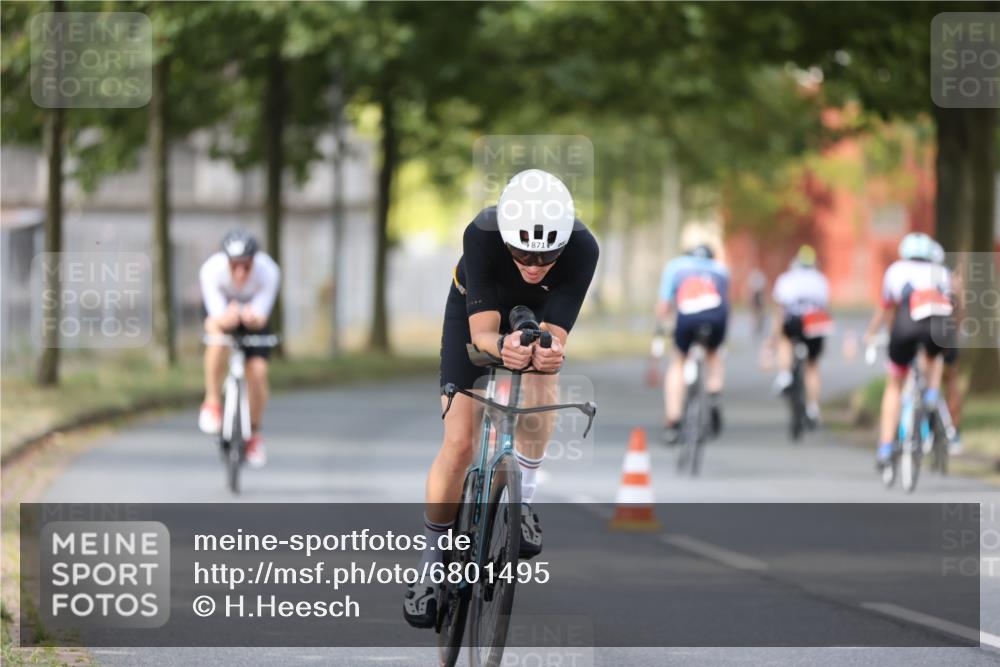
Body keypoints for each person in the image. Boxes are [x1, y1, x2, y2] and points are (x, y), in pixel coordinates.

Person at [403, 169, 599, 628]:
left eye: (547, 256)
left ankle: (522, 499)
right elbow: (482, 335)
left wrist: (547, 352)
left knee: (544, 367)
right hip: (475, 315)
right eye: (523, 253)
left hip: (536, 316)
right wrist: (502, 347)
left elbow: (555, 332)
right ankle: (430, 563)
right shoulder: (482, 234)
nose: (533, 265)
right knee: (459, 445)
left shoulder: (583, 248)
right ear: (507, 237)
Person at [863, 232, 954, 468]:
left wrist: (871, 333)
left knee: (894, 384)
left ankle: (885, 447)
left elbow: (886, 308)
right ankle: (932, 394)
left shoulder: (895, 270)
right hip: (939, 324)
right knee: (934, 357)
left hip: (906, 324)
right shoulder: (942, 271)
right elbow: (954, 305)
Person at [197, 230, 281, 467]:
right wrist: (226, 318)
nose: (241, 272)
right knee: (216, 340)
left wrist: (252, 318)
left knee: (258, 372)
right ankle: (212, 401)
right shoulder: (211, 270)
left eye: (247, 265)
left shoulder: (269, 271)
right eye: (235, 265)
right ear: (226, 262)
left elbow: (262, 316)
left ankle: (254, 432)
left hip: (254, 319)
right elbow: (215, 317)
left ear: (255, 260)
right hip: (222, 314)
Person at [656, 242, 730, 445]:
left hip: (687, 317)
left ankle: (673, 421)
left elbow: (664, 305)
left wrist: (660, 330)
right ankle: (714, 392)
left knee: (678, 361)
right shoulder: (721, 269)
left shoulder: (676, 266)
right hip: (717, 317)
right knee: (713, 355)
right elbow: (725, 300)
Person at [768, 245, 832, 427]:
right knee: (812, 365)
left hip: (794, 319)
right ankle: (813, 408)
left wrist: (774, 337)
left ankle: (785, 375)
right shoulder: (821, 280)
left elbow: (780, 311)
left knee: (785, 340)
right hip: (815, 322)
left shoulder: (786, 279)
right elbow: (824, 307)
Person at [748, 268, 767, 337]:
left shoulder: (759, 278)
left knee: (759, 312)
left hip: (758, 295)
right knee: (755, 312)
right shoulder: (755, 278)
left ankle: (758, 325)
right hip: (756, 296)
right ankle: (755, 326)